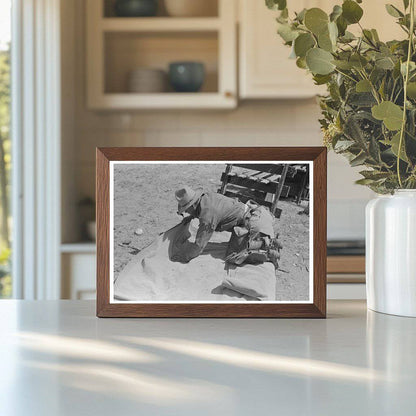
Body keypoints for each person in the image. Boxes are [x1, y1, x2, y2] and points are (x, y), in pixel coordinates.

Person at [172, 186, 281, 267]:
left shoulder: (207, 216)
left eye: (186, 209)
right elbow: (206, 211)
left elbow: (199, 245)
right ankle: (267, 242)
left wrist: (184, 256)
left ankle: (267, 252)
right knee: (237, 244)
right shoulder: (207, 197)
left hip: (252, 223)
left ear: (193, 205)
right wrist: (190, 217)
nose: (186, 212)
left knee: (233, 257)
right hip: (256, 213)